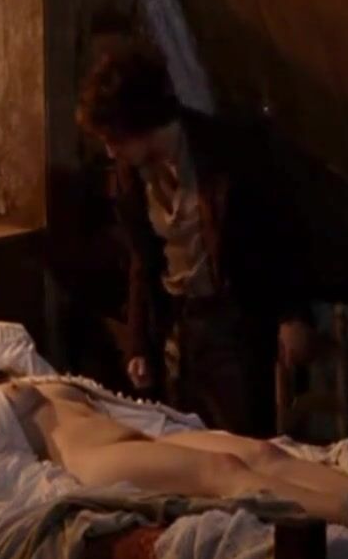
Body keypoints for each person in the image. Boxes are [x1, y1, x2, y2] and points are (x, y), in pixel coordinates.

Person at [0, 327, 348, 559]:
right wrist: (6, 402)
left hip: (141, 436)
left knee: (261, 453)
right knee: (226, 472)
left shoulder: (23, 374)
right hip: (94, 461)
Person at [76, 42, 315, 438]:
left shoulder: (226, 152)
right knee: (186, 440)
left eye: (114, 138)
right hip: (180, 325)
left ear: (140, 123)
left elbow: (282, 232)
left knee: (240, 441)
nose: (110, 150)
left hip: (233, 321)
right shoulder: (131, 175)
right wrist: (139, 343)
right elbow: (143, 259)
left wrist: (293, 314)